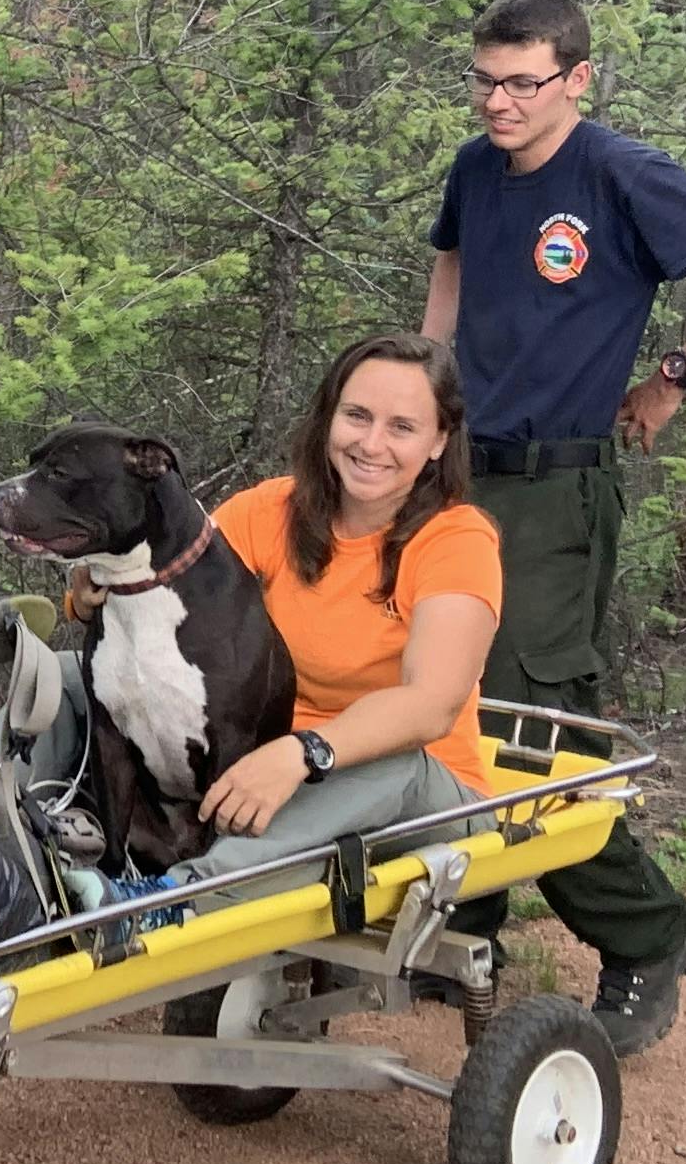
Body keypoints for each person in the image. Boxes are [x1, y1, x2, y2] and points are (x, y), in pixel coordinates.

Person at [420, 0, 686, 1052]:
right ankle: (467, 931)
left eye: (523, 83)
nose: (499, 102)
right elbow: (451, 275)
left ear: (576, 79)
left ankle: (646, 936)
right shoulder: (474, 173)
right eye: (485, 80)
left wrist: (675, 380)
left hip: (558, 491)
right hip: (461, 477)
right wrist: (422, 406)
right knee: (433, 700)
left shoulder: (618, 173)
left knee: (533, 728)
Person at [192, 334, 501, 872]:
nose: (372, 444)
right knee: (70, 680)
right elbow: (172, 586)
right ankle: (12, 860)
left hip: (423, 794)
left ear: (437, 441)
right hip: (279, 776)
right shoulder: (269, 511)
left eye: (401, 427)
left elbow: (431, 705)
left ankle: (175, 899)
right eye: (357, 416)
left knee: (393, 763)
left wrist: (303, 753)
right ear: (328, 419)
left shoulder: (456, 540)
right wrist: (97, 585)